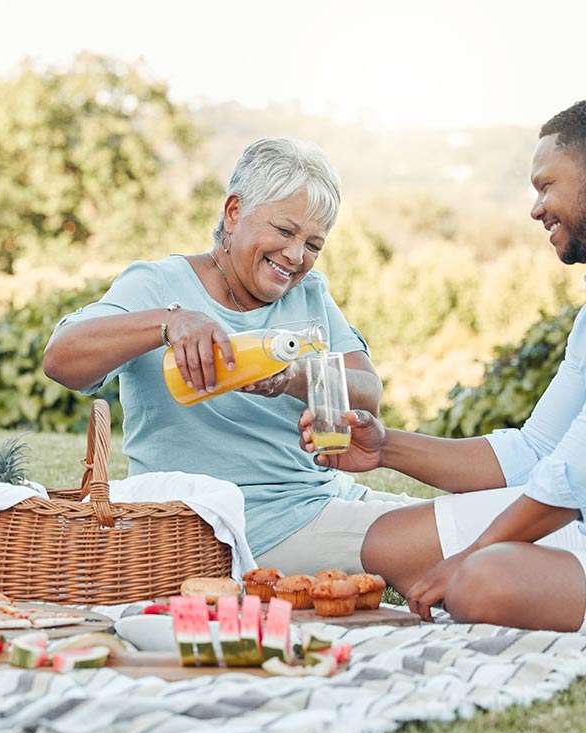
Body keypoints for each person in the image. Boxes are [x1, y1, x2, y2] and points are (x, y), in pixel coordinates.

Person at [43, 138, 422, 574]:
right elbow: (61, 359)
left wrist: (296, 376)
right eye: (285, 231)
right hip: (236, 528)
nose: (297, 256)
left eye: (314, 244)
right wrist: (169, 323)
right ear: (234, 212)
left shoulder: (310, 293)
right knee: (462, 537)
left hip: (326, 497)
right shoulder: (158, 285)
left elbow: (368, 394)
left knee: (487, 520)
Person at [306, 101, 586, 632]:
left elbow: (571, 474)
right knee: (388, 542)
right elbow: (536, 453)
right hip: (575, 516)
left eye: (546, 186)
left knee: (479, 582)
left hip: (571, 506)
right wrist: (384, 447)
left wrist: (475, 553)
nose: (536, 209)